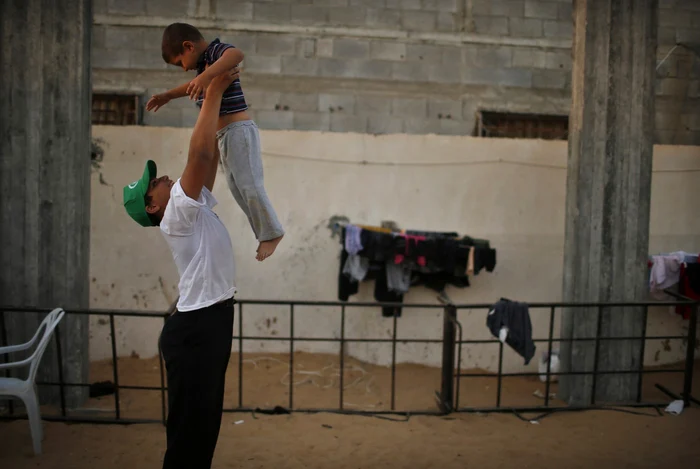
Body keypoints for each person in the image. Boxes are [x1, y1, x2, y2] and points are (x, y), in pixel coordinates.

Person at [122, 68, 239, 469]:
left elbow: (211, 159)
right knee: (191, 432)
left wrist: (214, 101)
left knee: (201, 429)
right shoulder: (175, 215)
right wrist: (214, 92)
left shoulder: (190, 205)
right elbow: (200, 155)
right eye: (153, 183)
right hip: (198, 330)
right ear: (152, 206)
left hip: (207, 323)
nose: (162, 177)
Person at [146, 22, 284, 262]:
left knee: (249, 184)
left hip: (238, 131)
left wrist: (207, 76)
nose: (183, 69)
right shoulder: (203, 67)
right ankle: (264, 232)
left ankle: (272, 233)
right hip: (225, 136)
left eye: (180, 63)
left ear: (188, 47)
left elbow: (237, 55)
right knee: (237, 188)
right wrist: (168, 95)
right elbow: (191, 86)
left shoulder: (214, 53)